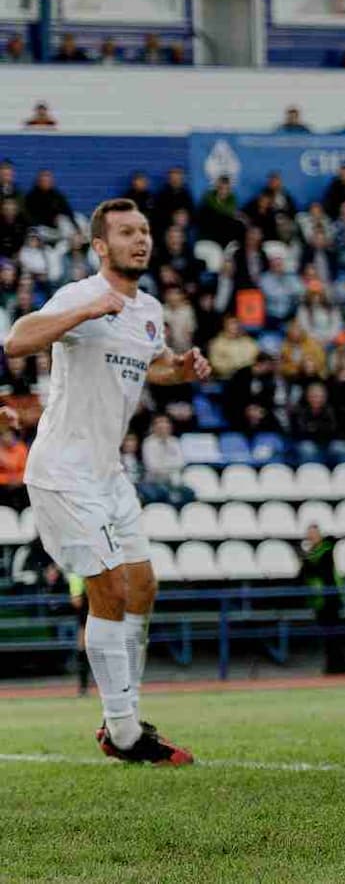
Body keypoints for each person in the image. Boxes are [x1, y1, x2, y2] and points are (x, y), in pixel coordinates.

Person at [8, 198, 211, 764]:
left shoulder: (148, 309)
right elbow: (18, 339)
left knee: (142, 587)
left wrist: (180, 368)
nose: (140, 239)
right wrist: (84, 312)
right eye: (126, 232)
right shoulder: (81, 294)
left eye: (144, 230)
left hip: (109, 473)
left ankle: (124, 714)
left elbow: (153, 364)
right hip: (63, 471)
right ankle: (123, 733)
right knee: (111, 589)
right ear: (100, 245)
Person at [297, 524, 345, 675]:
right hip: (319, 600)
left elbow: (318, 569)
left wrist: (306, 559)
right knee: (327, 636)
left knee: (334, 634)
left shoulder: (326, 550)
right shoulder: (312, 554)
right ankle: (332, 667)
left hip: (331, 597)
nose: (312, 537)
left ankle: (339, 668)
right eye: (310, 534)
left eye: (314, 534)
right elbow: (303, 574)